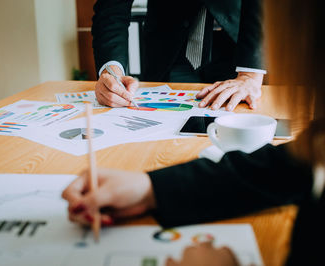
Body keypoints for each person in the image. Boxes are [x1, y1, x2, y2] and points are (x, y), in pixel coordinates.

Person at [63, 0, 325, 265]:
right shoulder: (313, 153)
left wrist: (250, 73)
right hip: (168, 46)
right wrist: (150, 188)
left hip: (231, 42)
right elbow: (290, 168)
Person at [92, 0, 266, 111]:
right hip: (168, 49)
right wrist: (111, 70)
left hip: (240, 50)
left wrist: (250, 74)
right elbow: (111, 9)